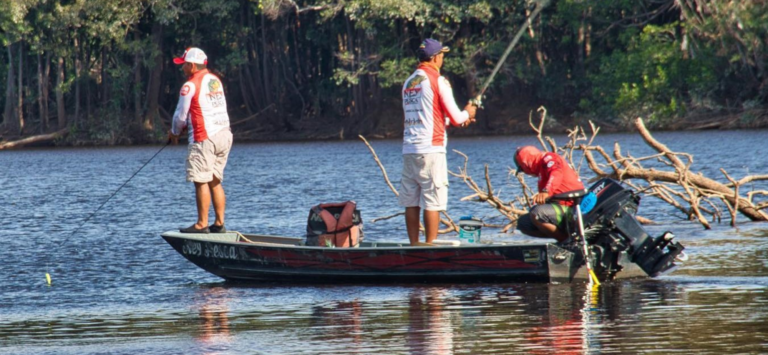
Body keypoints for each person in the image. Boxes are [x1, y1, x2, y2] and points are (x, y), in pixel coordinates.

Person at [399, 38, 477, 246]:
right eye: (442, 55)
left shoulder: (409, 82)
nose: (442, 59)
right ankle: (430, 246)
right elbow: (457, 117)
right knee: (433, 200)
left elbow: (429, 116)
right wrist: (468, 113)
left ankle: (414, 245)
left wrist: (455, 120)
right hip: (431, 149)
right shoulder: (438, 81)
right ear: (435, 58)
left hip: (410, 149)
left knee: (411, 201)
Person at [168, 47, 233, 234]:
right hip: (225, 135)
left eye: (184, 64)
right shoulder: (215, 80)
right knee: (215, 181)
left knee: (200, 180)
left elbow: (180, 115)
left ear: (192, 65)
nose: (182, 68)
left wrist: (174, 133)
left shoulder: (189, 86)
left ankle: (201, 224)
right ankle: (219, 223)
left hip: (204, 138)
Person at [514, 146, 585, 242]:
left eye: (522, 169)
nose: (525, 172)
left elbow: (556, 173)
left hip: (571, 206)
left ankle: (567, 242)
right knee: (524, 223)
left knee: (537, 213)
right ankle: (565, 238)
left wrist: (546, 192)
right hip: (559, 206)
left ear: (525, 164)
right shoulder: (541, 169)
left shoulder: (549, 158)